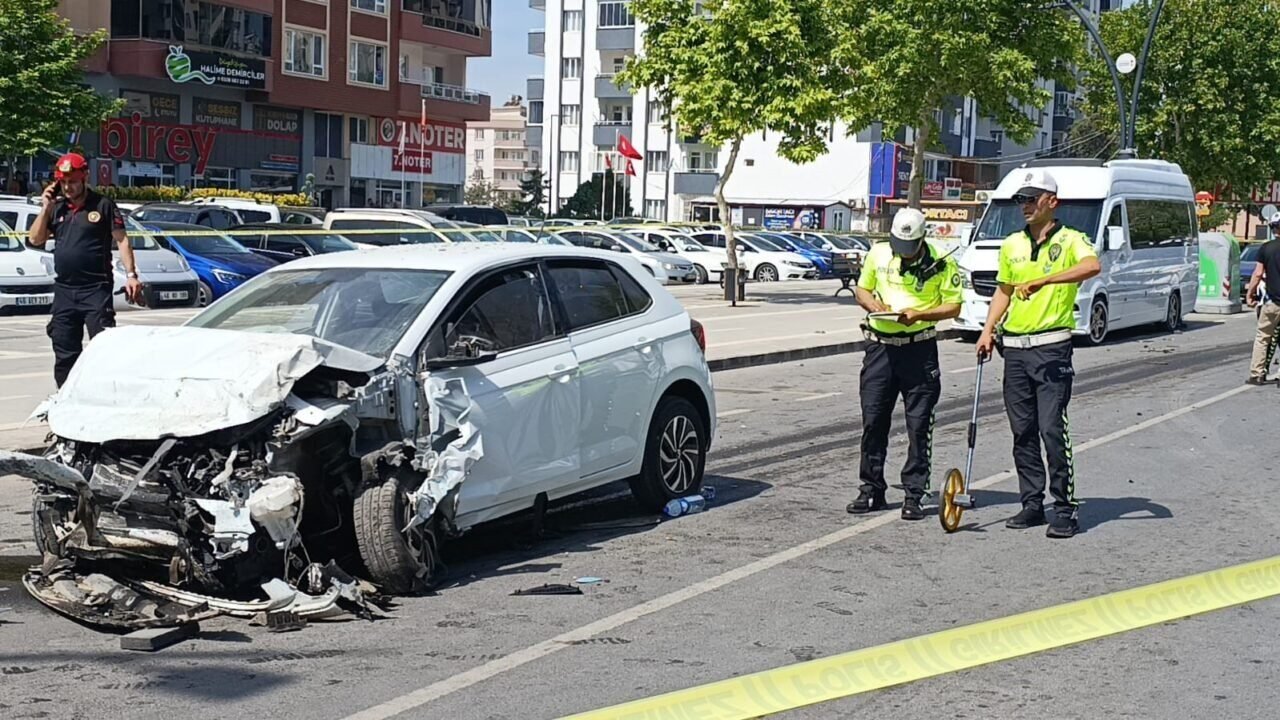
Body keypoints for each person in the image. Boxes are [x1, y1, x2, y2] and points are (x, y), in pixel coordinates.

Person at [976, 169, 1101, 539]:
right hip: (1014, 349)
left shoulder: (1072, 239)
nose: (1025, 205)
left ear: (1052, 201)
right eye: (1021, 199)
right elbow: (1003, 290)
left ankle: (1064, 507)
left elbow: (1091, 266)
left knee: (1051, 429)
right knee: (1023, 431)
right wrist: (987, 330)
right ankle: (1032, 503)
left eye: (1032, 198)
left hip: (1051, 348)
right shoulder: (1012, 244)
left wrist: (1045, 279)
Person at [848, 207, 963, 520]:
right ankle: (871, 488)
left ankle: (915, 492)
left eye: (910, 247)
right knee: (873, 421)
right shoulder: (879, 253)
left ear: (922, 239)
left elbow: (954, 306)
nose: (904, 252)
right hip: (880, 349)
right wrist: (874, 305)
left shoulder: (942, 261)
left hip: (919, 348)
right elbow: (862, 289)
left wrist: (920, 314)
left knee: (919, 424)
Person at [27, 153, 143, 387]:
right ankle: (65, 397)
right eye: (63, 182)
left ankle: (105, 393)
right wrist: (46, 208)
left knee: (103, 346)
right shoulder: (57, 208)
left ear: (85, 178)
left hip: (96, 289)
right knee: (64, 349)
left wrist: (131, 275)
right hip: (65, 291)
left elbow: (122, 240)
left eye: (73, 182)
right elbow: (35, 239)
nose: (67, 187)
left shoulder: (103, 205)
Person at [1246, 216, 1280, 385]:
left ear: (1273, 229)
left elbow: (1258, 273)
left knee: (1263, 337)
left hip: (1273, 302)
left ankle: (1257, 374)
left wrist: (1250, 294)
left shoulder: (1266, 248)